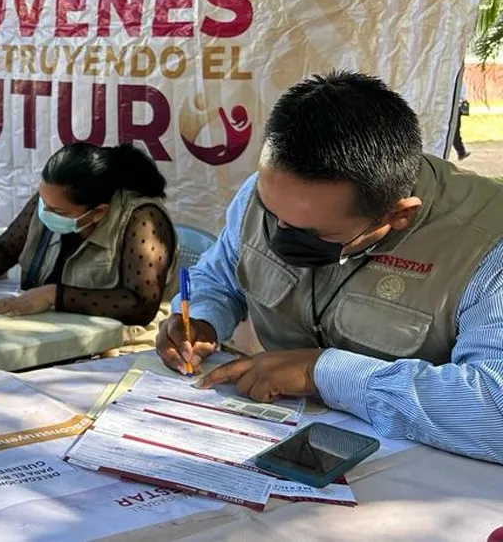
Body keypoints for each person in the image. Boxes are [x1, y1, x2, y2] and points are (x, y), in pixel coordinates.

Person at [156, 71, 503, 465]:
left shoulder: (487, 245)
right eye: (272, 214)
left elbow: (495, 408)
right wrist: (202, 318)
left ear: (397, 216)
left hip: (417, 477)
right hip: (277, 439)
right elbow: (221, 274)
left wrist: (322, 373)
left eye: (312, 231)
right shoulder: (279, 190)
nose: (279, 231)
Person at [0, 143, 176, 322]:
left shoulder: (142, 219)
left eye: (57, 210)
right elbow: (6, 248)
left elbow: (140, 305)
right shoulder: (50, 199)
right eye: (43, 202)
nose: (44, 212)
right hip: (44, 333)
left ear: (98, 212)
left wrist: (54, 296)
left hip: (114, 348)